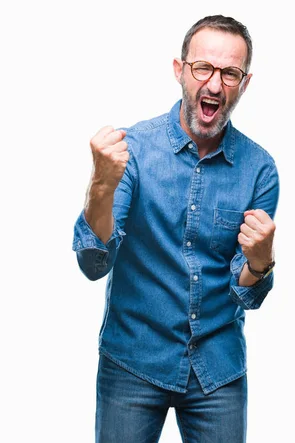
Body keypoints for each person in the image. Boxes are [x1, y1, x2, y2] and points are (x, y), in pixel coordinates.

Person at [72, 14, 279, 443]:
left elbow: (247, 291)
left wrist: (260, 263)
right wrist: (101, 186)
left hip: (217, 369)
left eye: (230, 73)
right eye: (203, 68)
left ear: (245, 82)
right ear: (180, 70)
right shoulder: (133, 151)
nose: (215, 84)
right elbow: (94, 263)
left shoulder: (260, 170)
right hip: (132, 359)